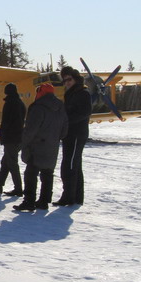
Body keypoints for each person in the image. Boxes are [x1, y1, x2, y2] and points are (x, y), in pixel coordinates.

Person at [14, 83, 68, 212]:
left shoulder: (38, 107)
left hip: (37, 146)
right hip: (52, 146)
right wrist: (54, 138)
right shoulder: (61, 107)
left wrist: (23, 142)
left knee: (31, 174)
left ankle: (29, 201)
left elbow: (31, 129)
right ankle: (44, 201)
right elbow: (65, 129)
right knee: (47, 174)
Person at [53, 66, 92, 206]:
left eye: (69, 79)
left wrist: (67, 121)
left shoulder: (83, 92)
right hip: (70, 133)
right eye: (64, 81)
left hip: (77, 133)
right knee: (74, 164)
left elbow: (85, 112)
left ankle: (68, 197)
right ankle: (76, 197)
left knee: (69, 165)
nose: (67, 82)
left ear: (75, 78)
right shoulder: (71, 92)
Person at [0, 82, 27, 196]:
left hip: (11, 138)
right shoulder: (20, 103)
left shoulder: (10, 103)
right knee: (6, 162)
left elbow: (7, 122)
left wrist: (5, 136)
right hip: (18, 137)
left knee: (12, 163)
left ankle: (18, 188)